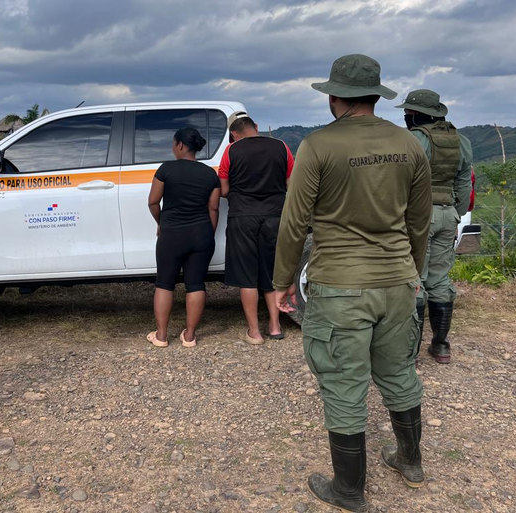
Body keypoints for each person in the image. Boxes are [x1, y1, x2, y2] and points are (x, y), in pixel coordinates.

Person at [273, 54, 432, 511]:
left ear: (334, 97)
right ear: (375, 96)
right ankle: (410, 462)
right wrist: (412, 273)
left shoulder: (317, 146)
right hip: (397, 280)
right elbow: (419, 222)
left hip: (340, 284)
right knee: (398, 371)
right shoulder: (409, 145)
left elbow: (294, 222)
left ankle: (348, 490)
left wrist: (283, 280)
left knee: (344, 383)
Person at [396, 89, 473, 364]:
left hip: (419, 216)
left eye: (408, 113)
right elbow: (464, 182)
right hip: (448, 214)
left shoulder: (412, 140)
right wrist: (455, 213)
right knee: (439, 279)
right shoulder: (461, 140)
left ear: (417, 115)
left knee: (414, 279)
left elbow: (399, 179)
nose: (406, 117)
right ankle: (441, 346)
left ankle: (410, 351)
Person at [218, 116, 294, 344]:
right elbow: (291, 182)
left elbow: (223, 189)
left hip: (243, 217)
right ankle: (275, 326)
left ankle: (254, 332)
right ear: (257, 128)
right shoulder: (281, 146)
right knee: (271, 272)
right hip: (275, 216)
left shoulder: (231, 150)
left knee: (247, 276)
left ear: (234, 135)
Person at [147, 127, 221, 348]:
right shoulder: (210, 174)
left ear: (179, 145)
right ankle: (189, 336)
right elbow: (213, 209)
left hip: (172, 234)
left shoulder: (166, 169)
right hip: (201, 234)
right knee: (196, 284)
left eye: (173, 144)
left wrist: (161, 222)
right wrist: (209, 233)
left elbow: (153, 202)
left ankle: (161, 336)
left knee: (164, 283)